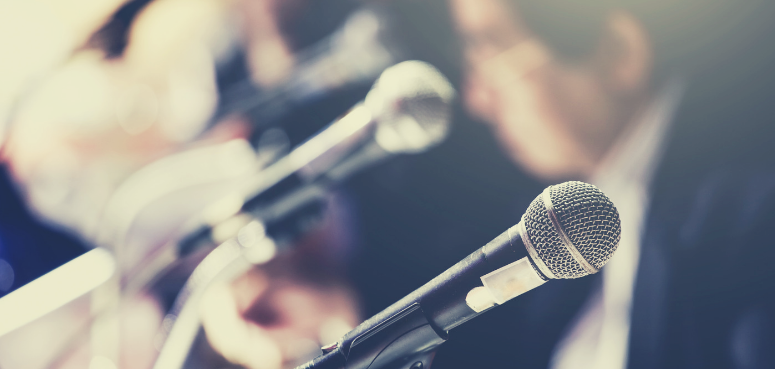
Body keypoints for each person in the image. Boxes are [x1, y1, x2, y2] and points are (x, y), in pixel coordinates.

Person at [425, 0, 775, 368]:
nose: (478, 101)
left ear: (619, 52)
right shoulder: (570, 220)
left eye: (489, 51)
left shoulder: (753, 221)